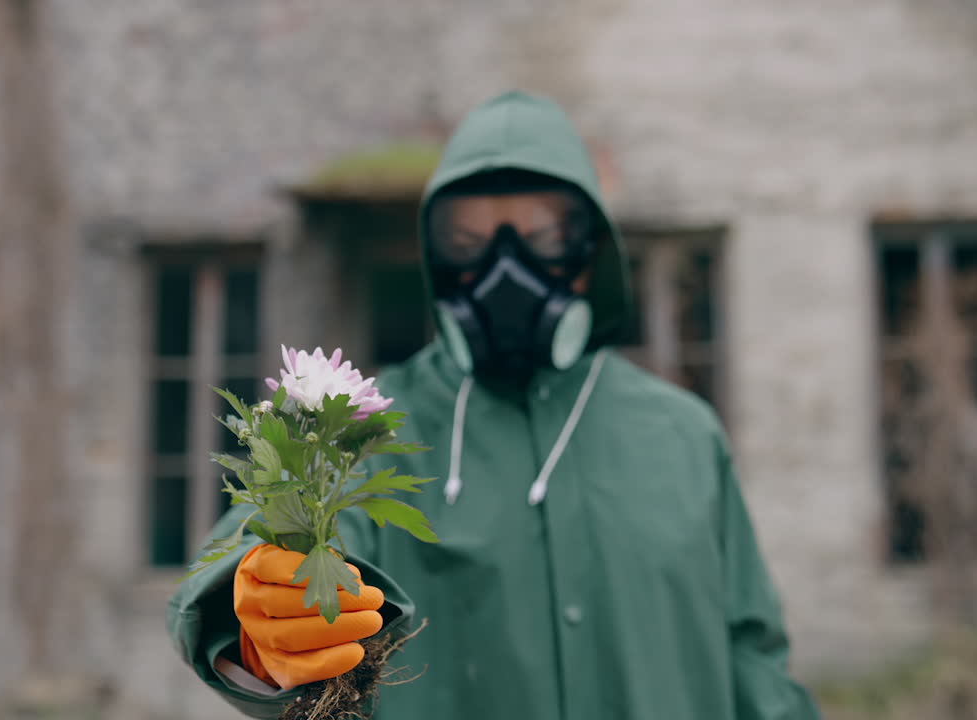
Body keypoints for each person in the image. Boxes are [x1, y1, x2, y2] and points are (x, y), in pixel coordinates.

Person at [167, 90, 821, 719]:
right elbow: (248, 549)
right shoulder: (365, 426)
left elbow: (753, 659)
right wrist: (252, 616)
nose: (506, 264)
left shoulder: (684, 436)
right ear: (435, 260)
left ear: (590, 254)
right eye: (467, 240)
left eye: (540, 236)